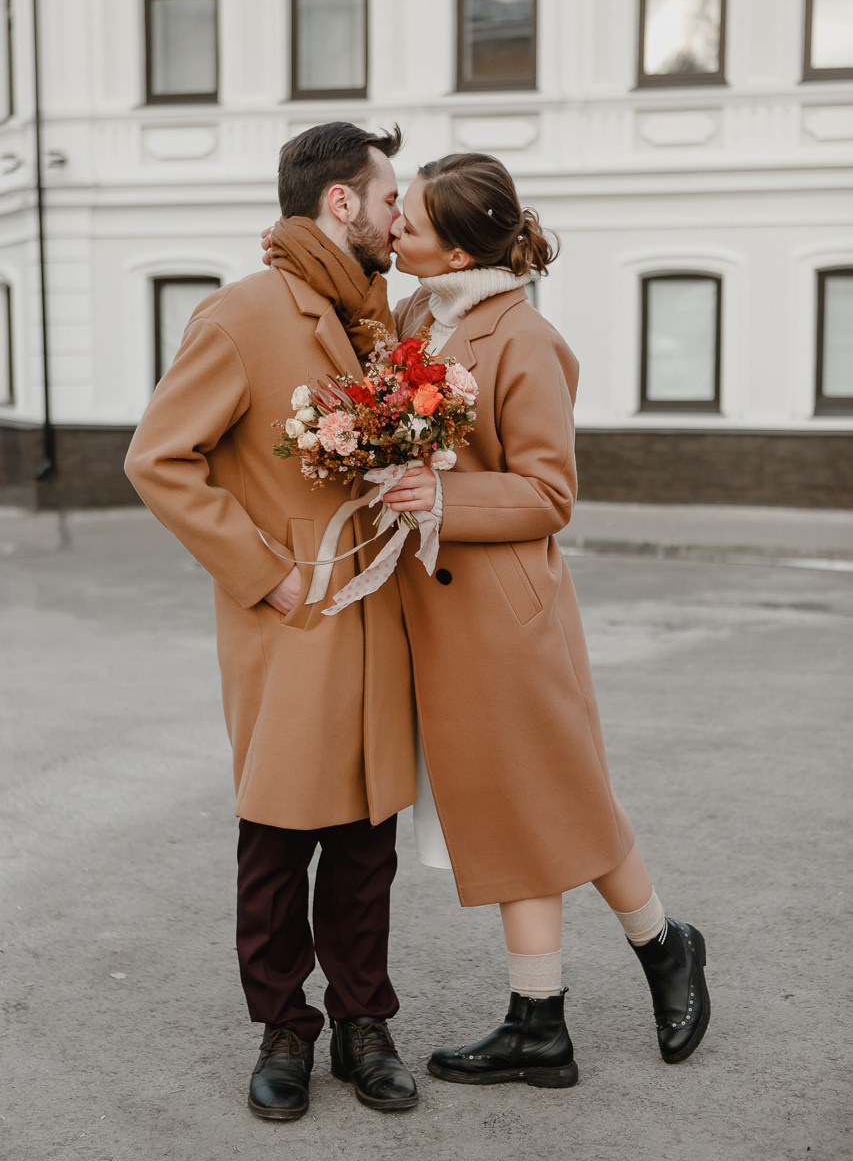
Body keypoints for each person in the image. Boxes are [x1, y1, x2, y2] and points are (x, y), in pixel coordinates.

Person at [267, 151, 711, 1087]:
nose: (394, 232)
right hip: (438, 616)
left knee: (553, 794)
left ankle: (645, 955)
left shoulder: (522, 338)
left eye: (411, 223)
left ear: (459, 249)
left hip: (507, 615)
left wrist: (440, 494)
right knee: (524, 803)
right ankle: (555, 1012)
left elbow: (550, 495)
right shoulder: (416, 314)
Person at [125, 122, 422, 1123]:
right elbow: (159, 458)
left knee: (367, 835)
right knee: (278, 838)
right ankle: (284, 1025)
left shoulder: (373, 317)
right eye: (387, 199)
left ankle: (363, 1021)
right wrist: (263, 573)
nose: (397, 216)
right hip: (293, 617)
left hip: (377, 610)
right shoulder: (241, 313)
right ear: (340, 201)